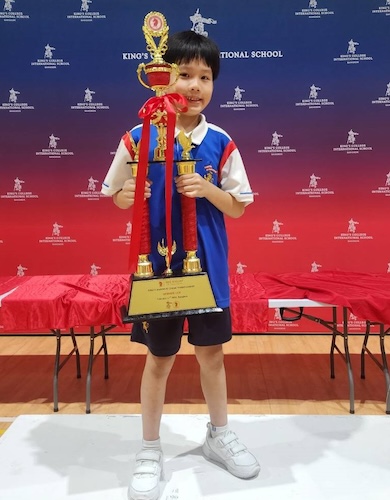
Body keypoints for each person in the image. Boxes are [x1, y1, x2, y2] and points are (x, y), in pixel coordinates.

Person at [101, 30, 260, 500]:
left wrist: (206, 189)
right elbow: (113, 193)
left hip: (206, 271)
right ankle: (150, 447)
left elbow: (238, 206)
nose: (194, 85)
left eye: (205, 76)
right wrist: (126, 196)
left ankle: (219, 433)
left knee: (212, 355)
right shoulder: (138, 136)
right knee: (159, 359)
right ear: (161, 79)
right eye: (184, 74)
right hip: (157, 275)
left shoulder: (222, 141)